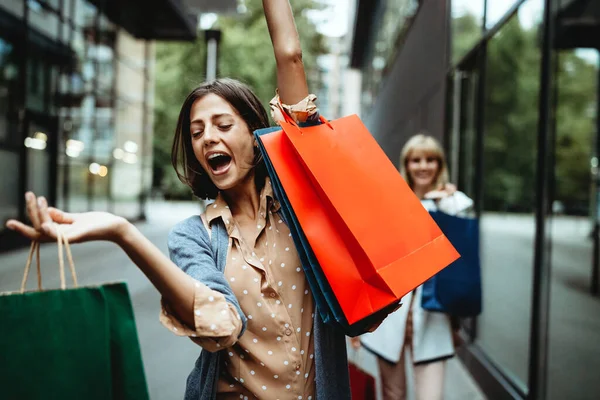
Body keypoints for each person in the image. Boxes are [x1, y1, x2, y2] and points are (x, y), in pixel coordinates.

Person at [5, 1, 351, 399]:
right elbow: (220, 326)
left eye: (223, 125)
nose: (208, 139)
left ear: (256, 137)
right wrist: (123, 233)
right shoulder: (194, 237)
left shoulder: (297, 203)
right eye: (197, 132)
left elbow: (290, 56)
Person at [353, 133, 473, 400]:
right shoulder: (390, 202)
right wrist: (359, 320)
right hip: (390, 315)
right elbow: (372, 262)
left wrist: (448, 203)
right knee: (393, 395)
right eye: (416, 160)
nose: (423, 166)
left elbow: (462, 262)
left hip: (434, 317)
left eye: (430, 160)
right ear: (406, 165)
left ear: (440, 165)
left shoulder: (455, 204)